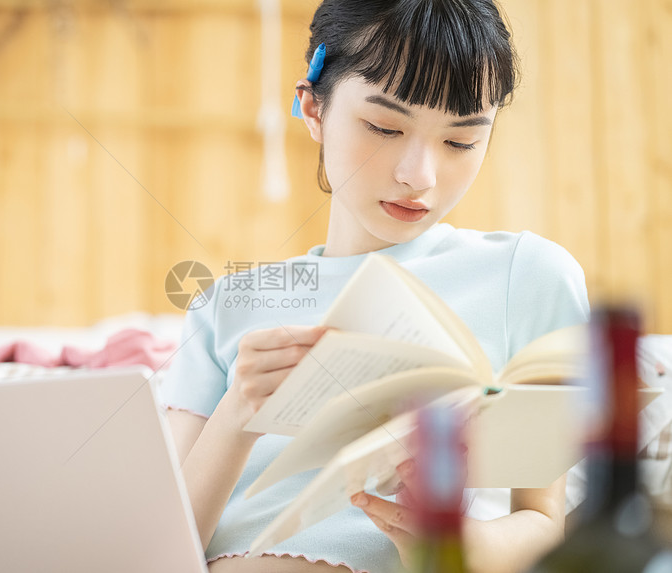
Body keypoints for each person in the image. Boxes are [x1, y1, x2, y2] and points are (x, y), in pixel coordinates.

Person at [161, 1, 590, 572]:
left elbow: (543, 523)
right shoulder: (226, 306)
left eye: (461, 141)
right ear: (312, 108)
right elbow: (158, 548)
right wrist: (239, 410)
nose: (420, 176)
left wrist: (452, 544)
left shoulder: (528, 276)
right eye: (385, 127)